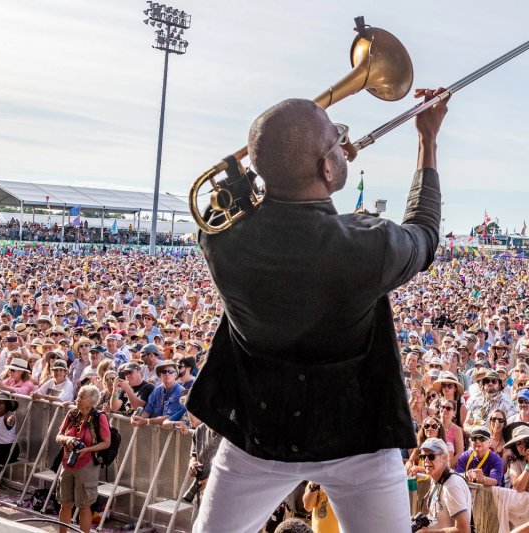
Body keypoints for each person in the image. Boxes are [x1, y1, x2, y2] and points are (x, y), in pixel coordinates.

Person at [188, 88, 450, 533]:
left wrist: (295, 158)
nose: (345, 141)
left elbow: (242, 204)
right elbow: (424, 233)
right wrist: (427, 140)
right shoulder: (368, 245)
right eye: (336, 138)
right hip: (358, 439)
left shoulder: (221, 239)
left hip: (257, 436)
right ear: (327, 167)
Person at [55, 384, 111, 533]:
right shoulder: (72, 414)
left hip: (87, 466)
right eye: (78, 396)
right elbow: (58, 436)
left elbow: (106, 442)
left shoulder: (99, 417)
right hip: (68, 463)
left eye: (81, 397)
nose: (77, 399)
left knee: (84, 507)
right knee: (65, 504)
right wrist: (67, 440)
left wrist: (86, 450)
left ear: (91, 401)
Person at [415, 438, 471, 533]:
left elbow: (464, 530)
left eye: (431, 456)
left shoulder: (452, 485)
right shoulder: (437, 478)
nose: (426, 460)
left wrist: (427, 532)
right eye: (423, 457)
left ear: (444, 458)